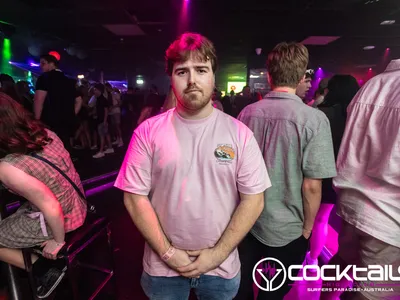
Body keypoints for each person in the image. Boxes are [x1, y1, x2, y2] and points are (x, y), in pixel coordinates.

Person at [114, 32, 270, 300]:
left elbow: (254, 200)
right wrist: (168, 253)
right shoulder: (148, 132)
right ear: (171, 78)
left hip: (220, 268)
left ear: (213, 75)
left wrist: (217, 254)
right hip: (163, 270)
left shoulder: (239, 134)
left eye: (201, 69)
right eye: (182, 71)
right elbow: (134, 198)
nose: (192, 80)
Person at [236, 42, 337, 300]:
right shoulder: (314, 119)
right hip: (288, 229)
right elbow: (312, 186)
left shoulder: (246, 113)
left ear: (269, 75)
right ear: (303, 75)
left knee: (242, 290)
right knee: (273, 294)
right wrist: (307, 230)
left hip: (245, 222)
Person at [321, 60, 400, 300]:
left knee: (345, 259)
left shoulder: (374, 84)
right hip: (389, 214)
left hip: (353, 200)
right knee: (375, 292)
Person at [0, 93, 87, 298]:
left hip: (59, 220)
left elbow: (50, 206)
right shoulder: (46, 134)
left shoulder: (8, 167)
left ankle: (44, 268)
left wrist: (58, 242)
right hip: (77, 205)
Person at [304, 75, 359, 270]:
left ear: (330, 90)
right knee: (324, 219)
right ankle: (313, 260)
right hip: (346, 175)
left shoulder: (321, 113)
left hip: (317, 172)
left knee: (309, 216)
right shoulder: (358, 115)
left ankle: (302, 255)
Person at [33, 54, 82, 148]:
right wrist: (71, 114)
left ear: (52, 64)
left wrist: (36, 120)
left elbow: (39, 100)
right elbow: (79, 100)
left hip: (49, 122)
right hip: (66, 122)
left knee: (50, 149)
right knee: (65, 147)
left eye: (43, 63)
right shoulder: (69, 81)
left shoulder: (44, 78)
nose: (40, 66)